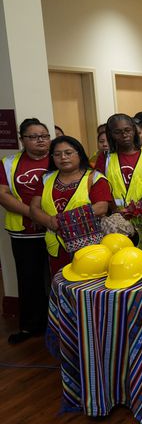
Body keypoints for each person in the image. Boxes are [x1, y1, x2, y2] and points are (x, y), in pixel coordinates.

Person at [0, 119, 52, 344]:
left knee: (55, 279)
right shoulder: (9, 163)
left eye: (44, 135)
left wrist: (48, 219)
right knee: (29, 279)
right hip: (24, 232)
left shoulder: (59, 158)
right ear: (22, 139)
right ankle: (31, 326)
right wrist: (34, 215)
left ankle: (59, 326)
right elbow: (3, 194)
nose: (41, 140)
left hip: (55, 231)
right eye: (34, 136)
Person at [30, 136, 112, 276]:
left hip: (89, 247)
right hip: (55, 245)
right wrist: (49, 221)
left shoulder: (95, 178)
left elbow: (101, 208)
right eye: (57, 154)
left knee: (87, 285)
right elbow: (34, 208)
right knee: (60, 284)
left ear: (79, 154)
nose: (63, 157)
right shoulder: (46, 178)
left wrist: (62, 220)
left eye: (68, 153)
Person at [95, 114, 142, 209]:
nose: (124, 135)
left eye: (128, 130)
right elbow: (101, 186)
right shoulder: (105, 157)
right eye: (117, 132)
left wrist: (136, 208)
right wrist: (115, 210)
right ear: (110, 134)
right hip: (114, 214)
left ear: (134, 130)